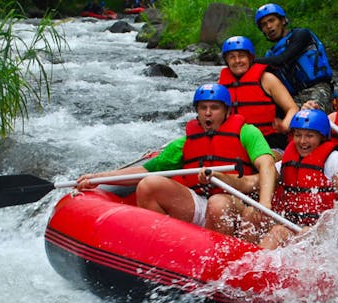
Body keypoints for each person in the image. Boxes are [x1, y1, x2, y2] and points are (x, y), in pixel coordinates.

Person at [77, 83, 276, 230]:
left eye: (214, 108)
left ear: (226, 111)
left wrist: (265, 203)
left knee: (217, 203)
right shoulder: (185, 143)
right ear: (196, 112)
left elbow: (266, 165)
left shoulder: (247, 132)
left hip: (236, 204)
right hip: (199, 202)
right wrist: (98, 178)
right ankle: (168, 247)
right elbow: (146, 170)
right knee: (149, 184)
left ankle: (216, 258)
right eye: (202, 108)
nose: (208, 113)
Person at [202, 109, 338, 247]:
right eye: (298, 135)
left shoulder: (337, 160)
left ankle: (251, 269)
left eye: (309, 136)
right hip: (289, 224)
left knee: (278, 233)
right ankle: (239, 260)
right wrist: (219, 176)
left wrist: (320, 230)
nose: (302, 141)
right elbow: (249, 183)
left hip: (319, 235)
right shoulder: (287, 163)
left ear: (321, 137)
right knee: (250, 214)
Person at [218, 35, 300, 153]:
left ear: (250, 58)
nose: (237, 61)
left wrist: (285, 124)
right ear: (227, 61)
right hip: (235, 144)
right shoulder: (221, 85)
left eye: (241, 56)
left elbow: (292, 108)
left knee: (264, 160)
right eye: (232, 57)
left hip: (269, 144)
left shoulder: (267, 79)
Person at [254, 3, 334, 113]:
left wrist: (250, 61)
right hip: (294, 97)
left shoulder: (302, 35)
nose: (268, 27)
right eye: (263, 24)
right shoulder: (270, 55)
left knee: (310, 115)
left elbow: (282, 60)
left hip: (319, 88)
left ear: (282, 21)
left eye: (271, 20)